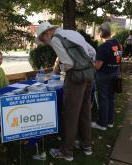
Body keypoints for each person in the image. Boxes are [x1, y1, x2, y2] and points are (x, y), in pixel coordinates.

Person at [36, 22, 96, 162]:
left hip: (75, 78)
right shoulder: (73, 33)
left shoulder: (56, 38)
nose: (45, 43)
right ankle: (86, 145)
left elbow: (68, 65)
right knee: (85, 111)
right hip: (88, 75)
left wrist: (60, 68)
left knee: (71, 114)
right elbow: (93, 52)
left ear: (47, 33)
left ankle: (66, 152)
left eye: (43, 40)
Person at [92, 23, 122, 131]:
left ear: (100, 34)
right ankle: (110, 122)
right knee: (110, 98)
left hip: (104, 76)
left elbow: (98, 66)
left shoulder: (103, 47)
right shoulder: (117, 43)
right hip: (115, 73)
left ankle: (102, 124)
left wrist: (91, 63)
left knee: (103, 99)